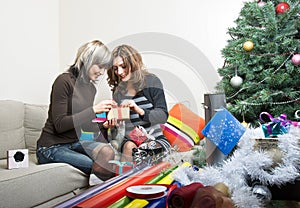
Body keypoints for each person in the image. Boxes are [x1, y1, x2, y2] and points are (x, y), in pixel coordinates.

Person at [36, 40, 116, 181]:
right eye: (100, 66)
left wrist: (103, 125)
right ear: (87, 60)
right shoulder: (63, 81)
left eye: (105, 68)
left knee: (108, 153)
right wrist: (93, 110)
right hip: (51, 147)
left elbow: (85, 125)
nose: (102, 72)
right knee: (99, 166)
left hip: (75, 142)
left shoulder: (91, 88)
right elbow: (60, 125)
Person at [106, 44, 171, 162]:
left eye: (123, 66)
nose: (119, 72)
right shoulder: (118, 91)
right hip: (130, 140)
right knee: (129, 147)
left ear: (133, 64)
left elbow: (162, 116)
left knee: (142, 151)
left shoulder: (151, 82)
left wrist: (138, 109)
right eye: (115, 68)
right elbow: (121, 125)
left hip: (155, 139)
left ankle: (141, 178)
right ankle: (129, 180)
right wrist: (113, 120)